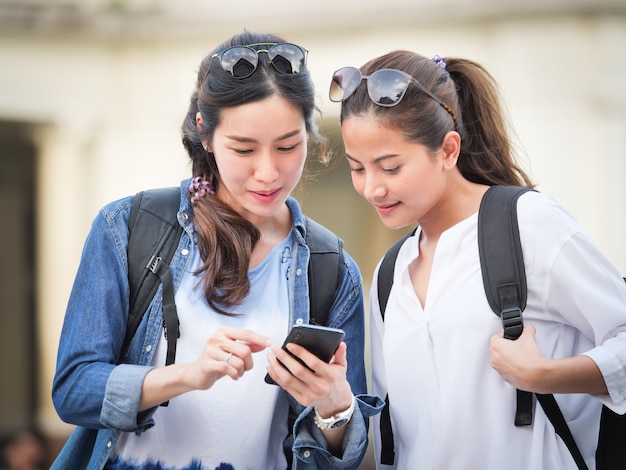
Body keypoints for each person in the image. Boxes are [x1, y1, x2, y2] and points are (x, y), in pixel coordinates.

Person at [51, 31, 382, 470]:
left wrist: (334, 406)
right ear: (206, 135)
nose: (268, 172)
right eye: (243, 148)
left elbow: (342, 454)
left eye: (288, 146)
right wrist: (186, 375)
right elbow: (74, 388)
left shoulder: (331, 271)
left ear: (308, 131)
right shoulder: (128, 227)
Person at [329, 51, 626, 469]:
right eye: (357, 168)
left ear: (448, 150)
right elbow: (391, 439)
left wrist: (544, 375)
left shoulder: (529, 224)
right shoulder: (389, 273)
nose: (372, 189)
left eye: (390, 167)